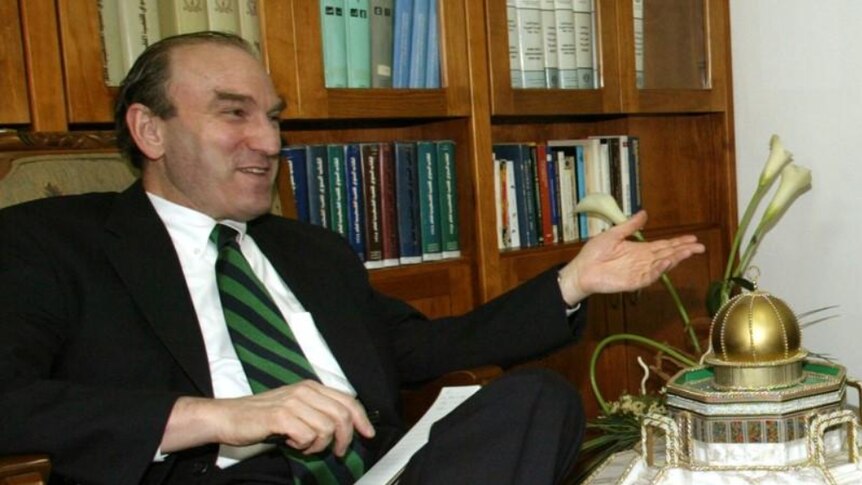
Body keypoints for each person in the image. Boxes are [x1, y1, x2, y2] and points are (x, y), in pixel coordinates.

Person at [0, 32, 704, 484]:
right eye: (234, 113)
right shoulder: (52, 243)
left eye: (273, 116)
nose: (269, 142)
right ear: (150, 129)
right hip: (223, 477)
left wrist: (572, 282)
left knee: (537, 402)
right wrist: (219, 416)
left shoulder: (311, 250)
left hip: (378, 472)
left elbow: (421, 346)